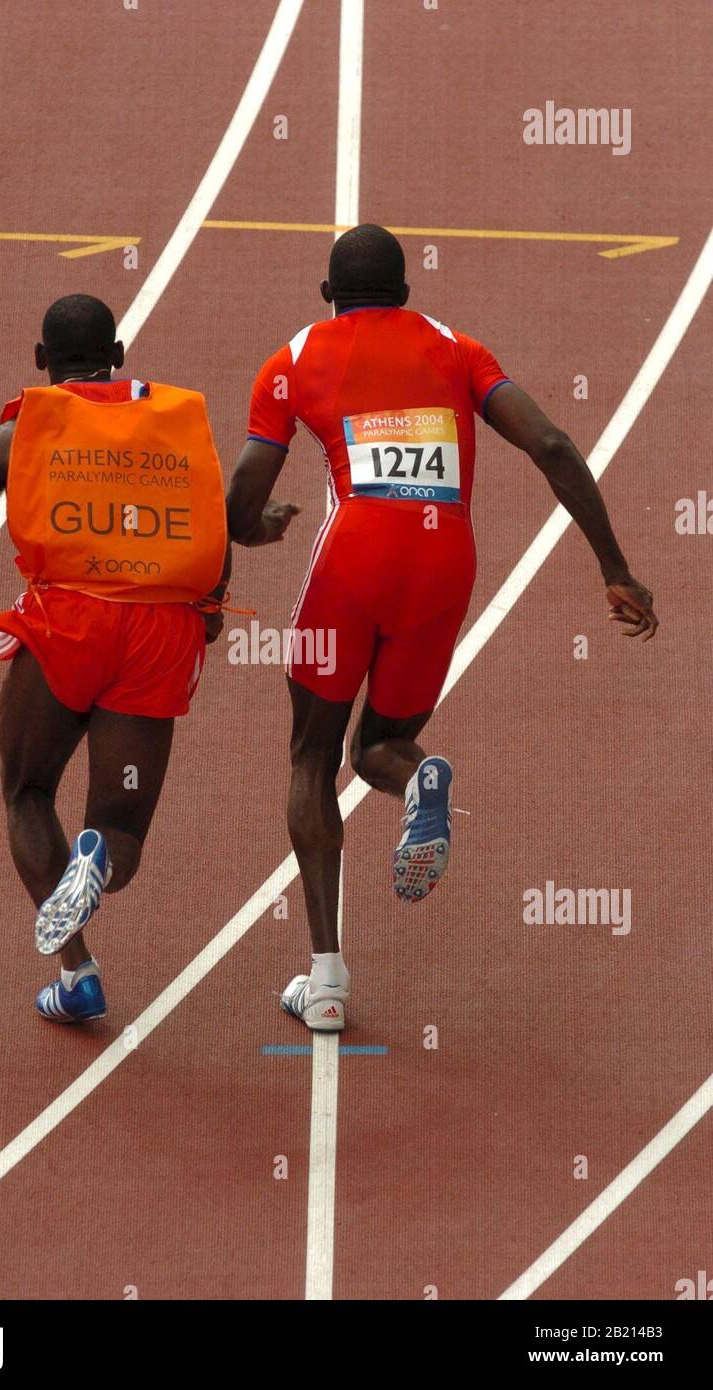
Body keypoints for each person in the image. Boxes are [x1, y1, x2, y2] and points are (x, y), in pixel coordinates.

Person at [227, 224, 657, 1033]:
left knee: (312, 756)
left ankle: (324, 982)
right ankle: (410, 774)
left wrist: (243, 541)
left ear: (329, 296)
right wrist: (613, 567)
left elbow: (245, 491)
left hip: (353, 559)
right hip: (443, 561)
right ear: (404, 293)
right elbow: (553, 445)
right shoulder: (455, 348)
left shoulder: (291, 358)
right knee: (380, 743)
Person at [0, 294, 229, 1022]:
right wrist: (206, 613)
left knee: (28, 792)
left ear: (41, 362)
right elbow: (215, 524)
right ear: (118, 354)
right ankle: (98, 860)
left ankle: (76, 972)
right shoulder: (171, 428)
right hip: (160, 631)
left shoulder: (21, 434)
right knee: (124, 831)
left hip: (67, 623)